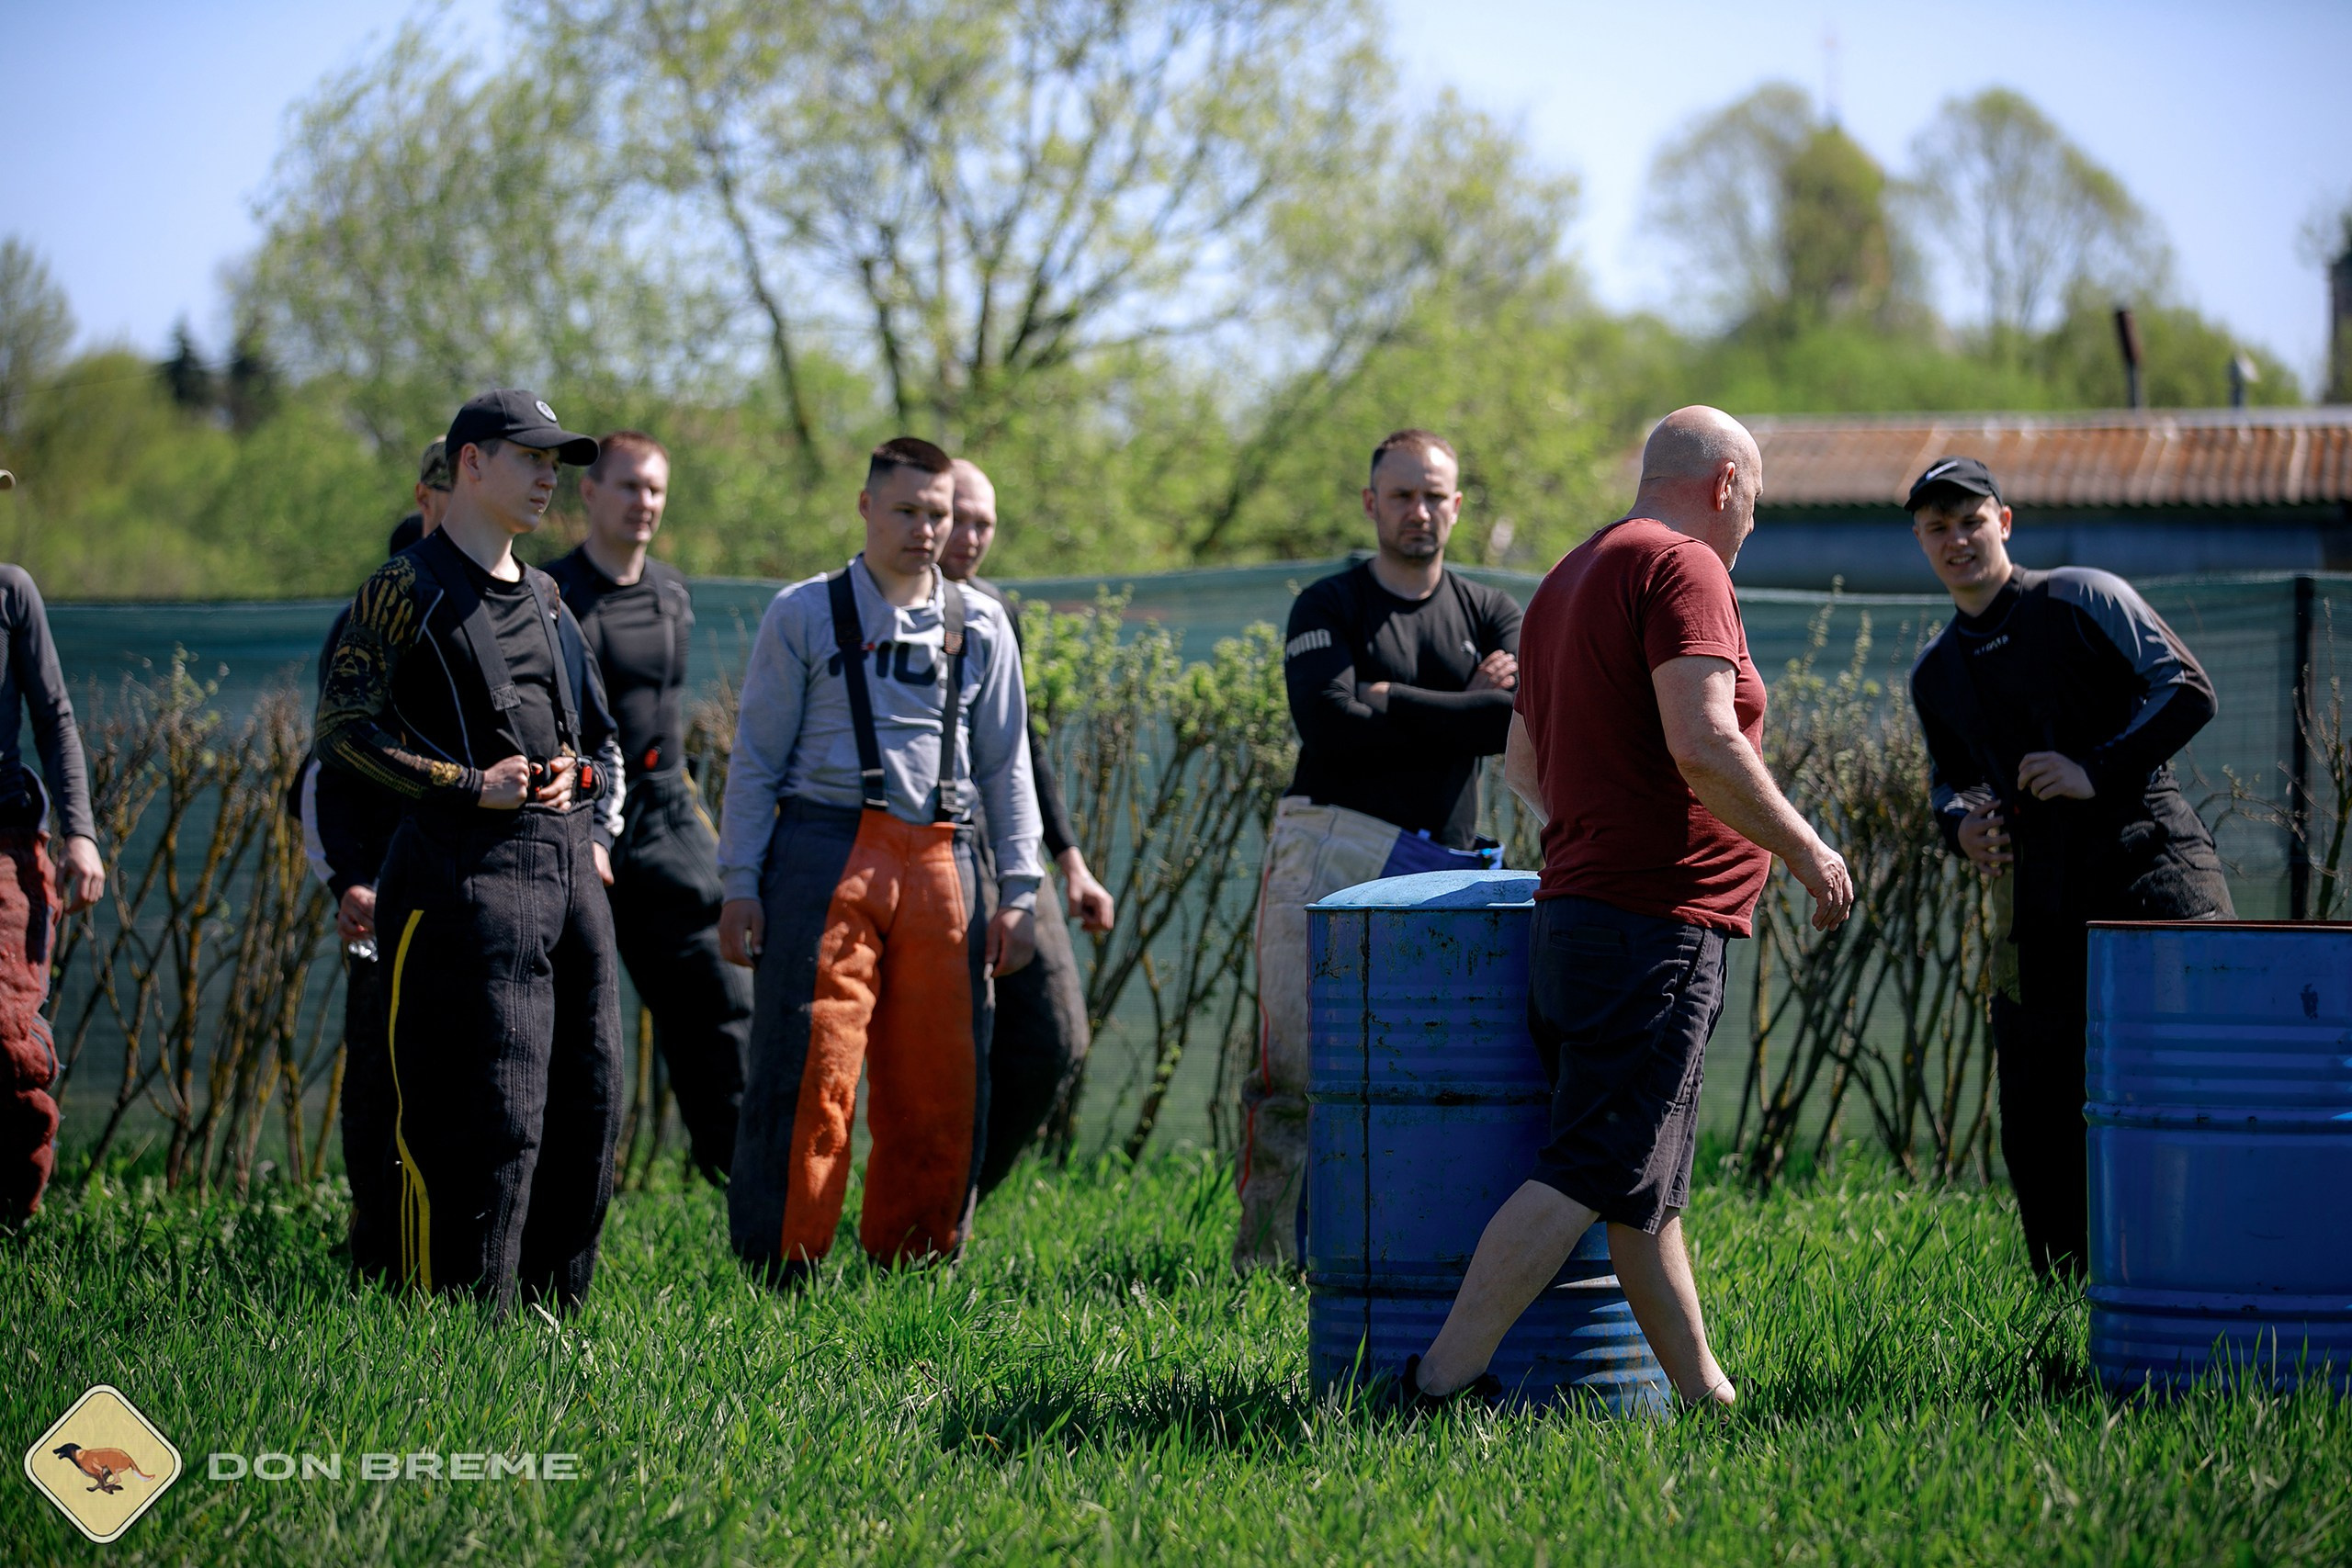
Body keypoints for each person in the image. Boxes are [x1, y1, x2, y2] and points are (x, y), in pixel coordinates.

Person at [1401, 406, 1854, 1410]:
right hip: (1655, 923)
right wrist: (1807, 848)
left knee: (1638, 1186)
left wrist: (1604, 825)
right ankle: (1435, 1381)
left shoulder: (1566, 577)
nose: (1748, 531)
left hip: (1577, 913)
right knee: (1589, 1165)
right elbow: (1704, 745)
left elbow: (1523, 765)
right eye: (1755, 507)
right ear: (1726, 483)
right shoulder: (1685, 568)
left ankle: (1707, 1398)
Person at [314, 389, 628, 1315]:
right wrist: (463, 784)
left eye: (554, 462)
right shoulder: (402, 584)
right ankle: (454, 1326)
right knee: (485, 1115)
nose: (547, 477)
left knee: (588, 1103)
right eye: (528, 457)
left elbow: (602, 741)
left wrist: (580, 783)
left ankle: (552, 1317)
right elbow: (340, 730)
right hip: (457, 878)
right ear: (470, 465)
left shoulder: (548, 597)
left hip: (569, 874)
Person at [716, 437, 1040, 1284]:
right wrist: (739, 882)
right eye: (906, 510)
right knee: (812, 1068)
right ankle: (779, 1267)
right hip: (827, 853)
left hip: (947, 861)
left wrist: (1021, 893)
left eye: (938, 513)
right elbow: (754, 757)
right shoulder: (804, 611)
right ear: (865, 507)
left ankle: (915, 1261)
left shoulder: (983, 622)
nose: (926, 529)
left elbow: (1010, 765)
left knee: (941, 1076)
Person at [1905, 457, 2232, 1281]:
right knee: (2040, 1124)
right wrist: (1963, 833)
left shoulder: (2082, 595)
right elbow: (1948, 787)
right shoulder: (1936, 672)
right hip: (2040, 912)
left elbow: (2189, 688)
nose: (1957, 540)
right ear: (1920, 542)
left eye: (1970, 520)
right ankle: (2068, 1323)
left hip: (2155, 876)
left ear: (2004, 523)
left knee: (2185, 1099)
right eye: (1937, 528)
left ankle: (2213, 1296)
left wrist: (2096, 768)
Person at [1236, 428, 1523, 1271]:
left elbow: (1514, 721)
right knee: (1291, 1073)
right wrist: (1459, 707)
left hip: (1446, 864)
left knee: (1432, 1079)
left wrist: (1390, 698)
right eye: (1401, 495)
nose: (1419, 511)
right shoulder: (1327, 606)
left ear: (1458, 506)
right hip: (1328, 846)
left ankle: (1403, 1256)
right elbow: (1327, 725)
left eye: (1435, 495)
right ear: (1371, 503)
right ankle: (1264, 1264)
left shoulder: (1491, 611)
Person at [545, 431, 751, 1185]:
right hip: (575, 823)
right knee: (576, 1033)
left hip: (665, 812)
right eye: (629, 486)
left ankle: (740, 1185)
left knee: (726, 1001)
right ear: (589, 494)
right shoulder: (549, 594)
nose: (645, 503)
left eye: (656, 489)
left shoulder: (670, 590)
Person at [293, 434, 455, 1278]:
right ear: (430, 496)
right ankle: (381, 1262)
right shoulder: (376, 610)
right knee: (383, 1087)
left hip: (480, 889)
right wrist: (349, 879)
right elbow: (326, 769)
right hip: (387, 893)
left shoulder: (511, 599)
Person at [940, 457, 1116, 1196]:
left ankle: (957, 1204)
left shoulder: (993, 610)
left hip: (1005, 844)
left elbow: (1022, 746)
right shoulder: (854, 607)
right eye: (960, 517)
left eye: (986, 522)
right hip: (912, 852)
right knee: (942, 1050)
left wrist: (1070, 859)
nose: (972, 535)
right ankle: (912, 1221)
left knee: (1053, 1037)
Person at [0, 546, 107, 1223]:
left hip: (4, 845)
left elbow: (54, 719)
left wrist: (81, 833)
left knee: (6, 1036)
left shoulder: (11, 594)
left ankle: (14, 1207)